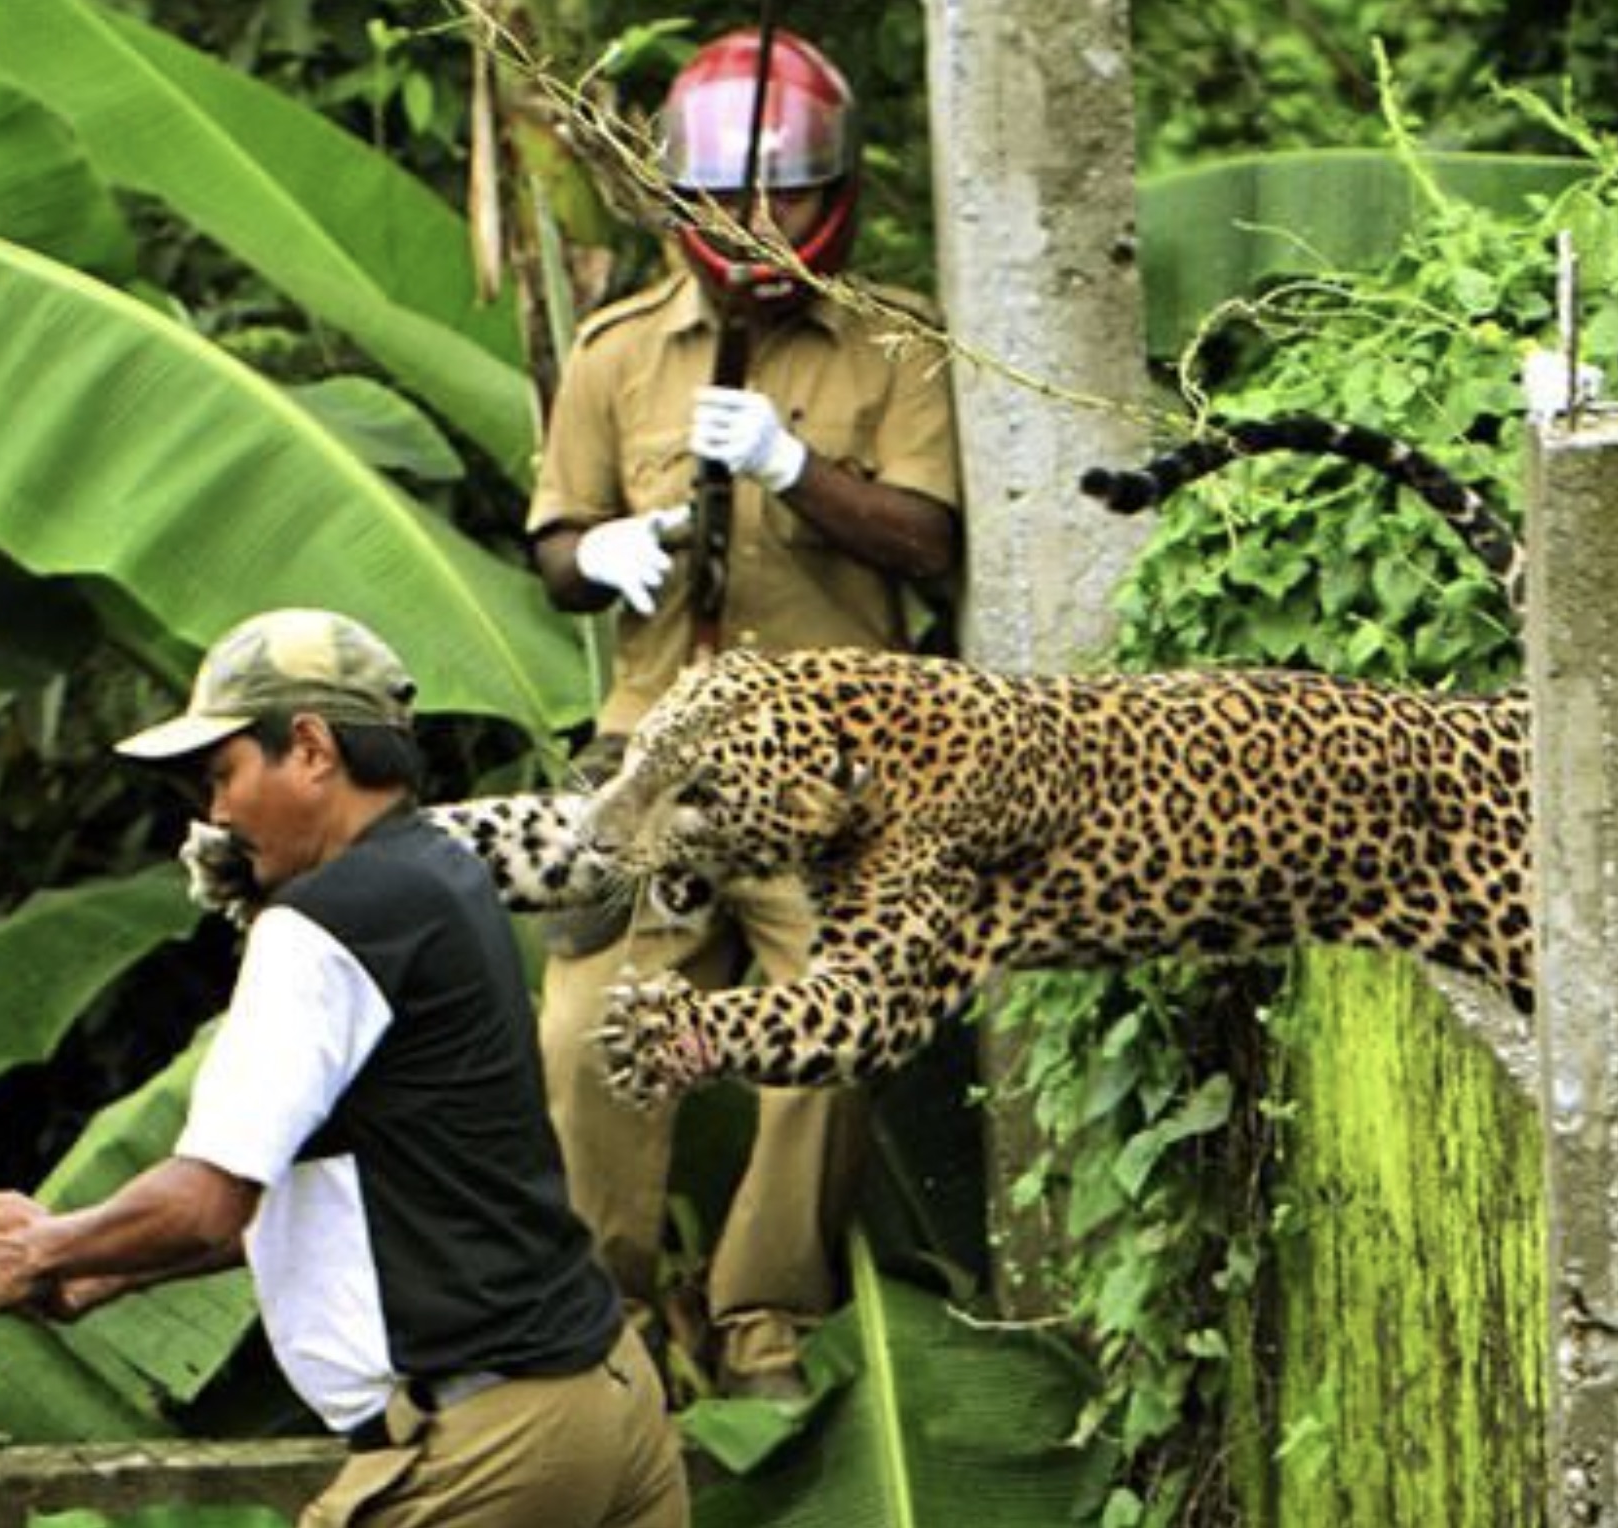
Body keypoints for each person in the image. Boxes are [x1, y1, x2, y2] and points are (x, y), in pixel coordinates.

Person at [0, 608, 687, 1528]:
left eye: (225, 773)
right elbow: (360, 1198)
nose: (218, 814)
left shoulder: (322, 925)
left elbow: (207, 1197)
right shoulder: (443, 877)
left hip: (493, 1446)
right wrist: (103, 1267)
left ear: (312, 748)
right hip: (609, 1400)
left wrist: (40, 1248)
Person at [525, 28, 962, 1400]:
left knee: (836, 1024)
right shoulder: (613, 355)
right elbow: (552, 542)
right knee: (589, 1032)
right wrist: (597, 553)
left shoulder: (891, 345)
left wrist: (796, 473)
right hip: (652, 746)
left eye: (783, 195)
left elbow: (927, 540)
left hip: (836, 763)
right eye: (728, 199)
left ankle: (761, 1318)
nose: (756, 223)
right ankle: (615, 1327)